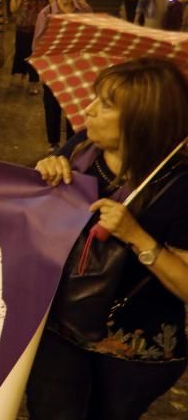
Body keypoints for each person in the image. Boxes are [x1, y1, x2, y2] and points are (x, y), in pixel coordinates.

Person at [26, 58, 188, 420]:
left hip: (133, 349)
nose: (88, 110)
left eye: (105, 104)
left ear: (142, 119)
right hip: (61, 325)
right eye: (94, 98)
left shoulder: (179, 185)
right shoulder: (83, 147)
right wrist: (46, 173)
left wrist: (137, 236)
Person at [34, 0, 92, 152]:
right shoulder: (47, 13)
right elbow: (38, 42)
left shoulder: (84, 9)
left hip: (76, 65)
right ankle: (53, 143)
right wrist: (41, 70)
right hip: (53, 65)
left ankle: (71, 142)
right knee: (52, 106)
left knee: (74, 107)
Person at [9, 0, 50, 95]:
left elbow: (53, 8)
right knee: (21, 53)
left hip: (40, 30)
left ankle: (33, 81)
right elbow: (13, 9)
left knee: (35, 56)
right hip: (23, 28)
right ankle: (20, 76)